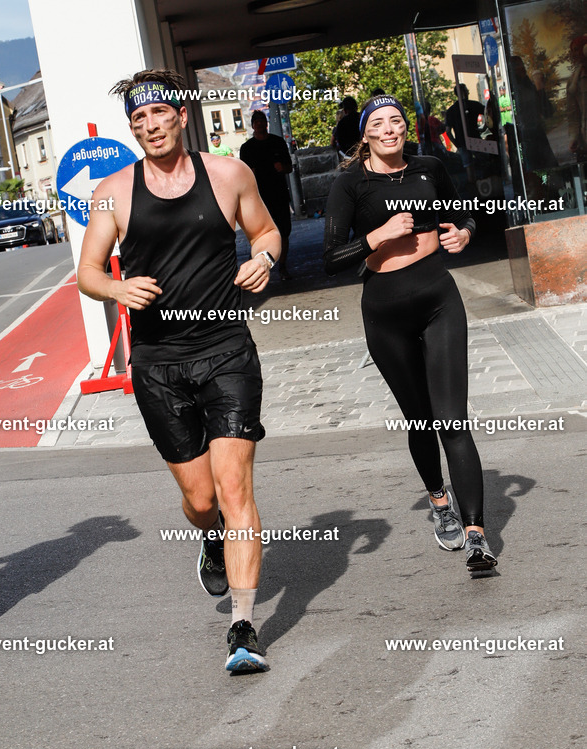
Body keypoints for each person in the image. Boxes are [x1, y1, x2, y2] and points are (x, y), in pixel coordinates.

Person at [78, 69, 281, 673]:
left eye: (159, 114)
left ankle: (244, 628)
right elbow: (87, 272)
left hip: (226, 350)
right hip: (159, 363)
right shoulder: (113, 191)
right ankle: (209, 533)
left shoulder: (229, 174)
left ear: (181, 117)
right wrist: (117, 286)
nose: (150, 126)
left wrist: (264, 257)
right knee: (200, 499)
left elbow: (266, 229)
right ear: (133, 129)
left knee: (235, 486)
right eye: (139, 120)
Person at [323, 94, 497, 573]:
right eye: (377, 123)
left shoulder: (429, 167)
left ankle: (477, 534)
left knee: (452, 421)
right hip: (385, 312)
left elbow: (465, 212)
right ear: (365, 134)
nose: (388, 129)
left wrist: (464, 232)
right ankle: (439, 501)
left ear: (405, 127)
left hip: (439, 297)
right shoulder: (348, 183)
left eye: (395, 121)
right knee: (420, 419)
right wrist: (378, 236)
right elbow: (331, 256)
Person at [239, 110, 293, 280]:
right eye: (257, 122)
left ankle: (283, 266)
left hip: (279, 194)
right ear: (253, 125)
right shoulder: (247, 148)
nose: (260, 124)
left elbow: (289, 167)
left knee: (284, 231)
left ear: (266, 123)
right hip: (258, 198)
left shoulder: (278, 142)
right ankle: (255, 268)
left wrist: (281, 168)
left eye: (262, 121)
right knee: (257, 234)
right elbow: (243, 175)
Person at [445, 84, 485, 186]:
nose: (468, 92)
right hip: (475, 139)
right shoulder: (473, 105)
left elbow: (448, 131)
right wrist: (485, 130)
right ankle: (484, 189)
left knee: (469, 169)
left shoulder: (451, 111)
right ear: (463, 92)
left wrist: (456, 143)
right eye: (466, 90)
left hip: (462, 142)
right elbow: (488, 112)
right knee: (484, 164)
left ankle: (474, 192)